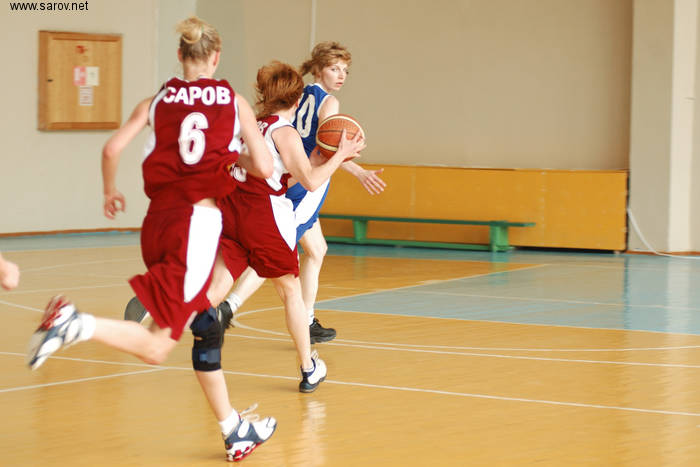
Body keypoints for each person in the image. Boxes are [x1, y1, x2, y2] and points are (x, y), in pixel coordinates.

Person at [25, 16, 277, 462]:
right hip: (195, 226)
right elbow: (264, 167)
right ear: (216, 57)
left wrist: (110, 190)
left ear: (180, 55)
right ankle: (75, 324)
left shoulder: (156, 100)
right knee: (159, 346)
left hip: (157, 223)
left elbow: (111, 149)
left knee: (205, 324)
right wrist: (231, 156)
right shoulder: (233, 101)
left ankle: (234, 430)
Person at [207, 61, 365, 393]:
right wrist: (340, 155)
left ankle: (168, 316)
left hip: (232, 210)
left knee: (218, 285)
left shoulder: (251, 126)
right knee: (290, 291)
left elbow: (277, 174)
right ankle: (309, 368)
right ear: (296, 99)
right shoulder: (285, 131)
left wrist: (317, 159)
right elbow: (310, 182)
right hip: (263, 215)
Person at [219, 41, 386, 344]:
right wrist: (358, 170)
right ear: (319, 69)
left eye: (345, 70)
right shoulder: (329, 103)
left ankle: (307, 319)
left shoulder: (297, 94)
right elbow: (326, 149)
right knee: (278, 252)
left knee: (317, 249)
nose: (341, 75)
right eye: (334, 68)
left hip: (292, 172)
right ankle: (229, 306)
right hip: (306, 181)